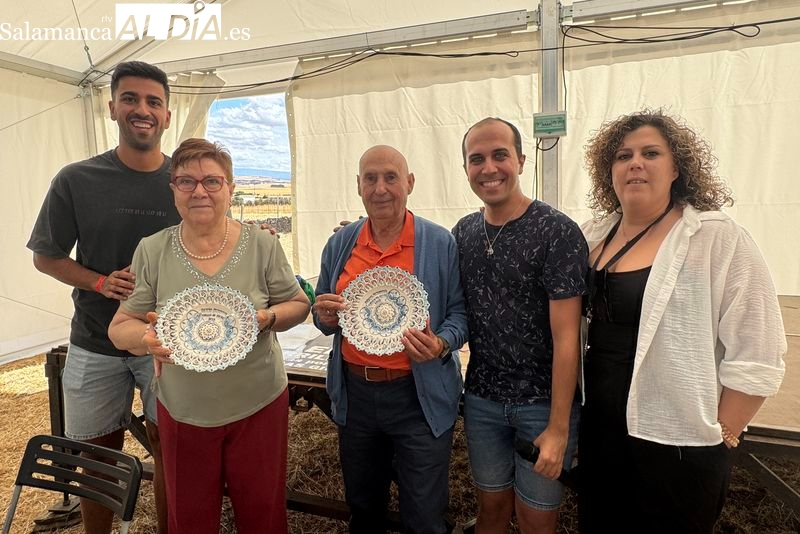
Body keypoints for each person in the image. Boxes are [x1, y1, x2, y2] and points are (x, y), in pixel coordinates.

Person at [578, 108, 786, 533]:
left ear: (677, 168)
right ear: (609, 171)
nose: (635, 162)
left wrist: (722, 433)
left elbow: (759, 347)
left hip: (678, 440)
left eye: (651, 152)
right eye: (623, 155)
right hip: (601, 432)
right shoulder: (592, 237)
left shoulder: (715, 238)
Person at [108, 138, 311, 534]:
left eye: (212, 181)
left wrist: (266, 318)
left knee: (263, 514)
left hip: (259, 405)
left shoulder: (263, 245)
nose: (200, 190)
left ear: (230, 189)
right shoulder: (152, 250)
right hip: (184, 410)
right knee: (191, 518)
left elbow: (298, 304)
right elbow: (120, 327)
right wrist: (147, 337)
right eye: (187, 181)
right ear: (174, 190)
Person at [26, 60, 176, 534]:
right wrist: (97, 281)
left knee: (171, 449)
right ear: (112, 107)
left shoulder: (186, 182)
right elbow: (46, 256)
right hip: (95, 341)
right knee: (96, 456)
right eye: (130, 98)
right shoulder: (76, 179)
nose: (142, 109)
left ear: (168, 115)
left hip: (166, 343)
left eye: (153, 101)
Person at [313, 145, 468, 534]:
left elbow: (461, 315)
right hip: (356, 395)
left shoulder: (438, 242)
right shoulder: (341, 243)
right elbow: (323, 314)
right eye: (370, 178)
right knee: (364, 508)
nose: (380, 188)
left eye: (391, 177)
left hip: (417, 396)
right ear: (359, 187)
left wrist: (442, 344)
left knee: (424, 513)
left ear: (410, 183)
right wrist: (325, 315)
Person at [452, 117, 588, 534]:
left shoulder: (556, 231)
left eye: (500, 155)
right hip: (482, 401)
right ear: (466, 169)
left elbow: (568, 338)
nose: (488, 168)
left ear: (522, 161)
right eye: (477, 159)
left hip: (542, 406)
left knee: (535, 520)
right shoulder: (464, 232)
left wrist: (559, 428)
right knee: (490, 512)